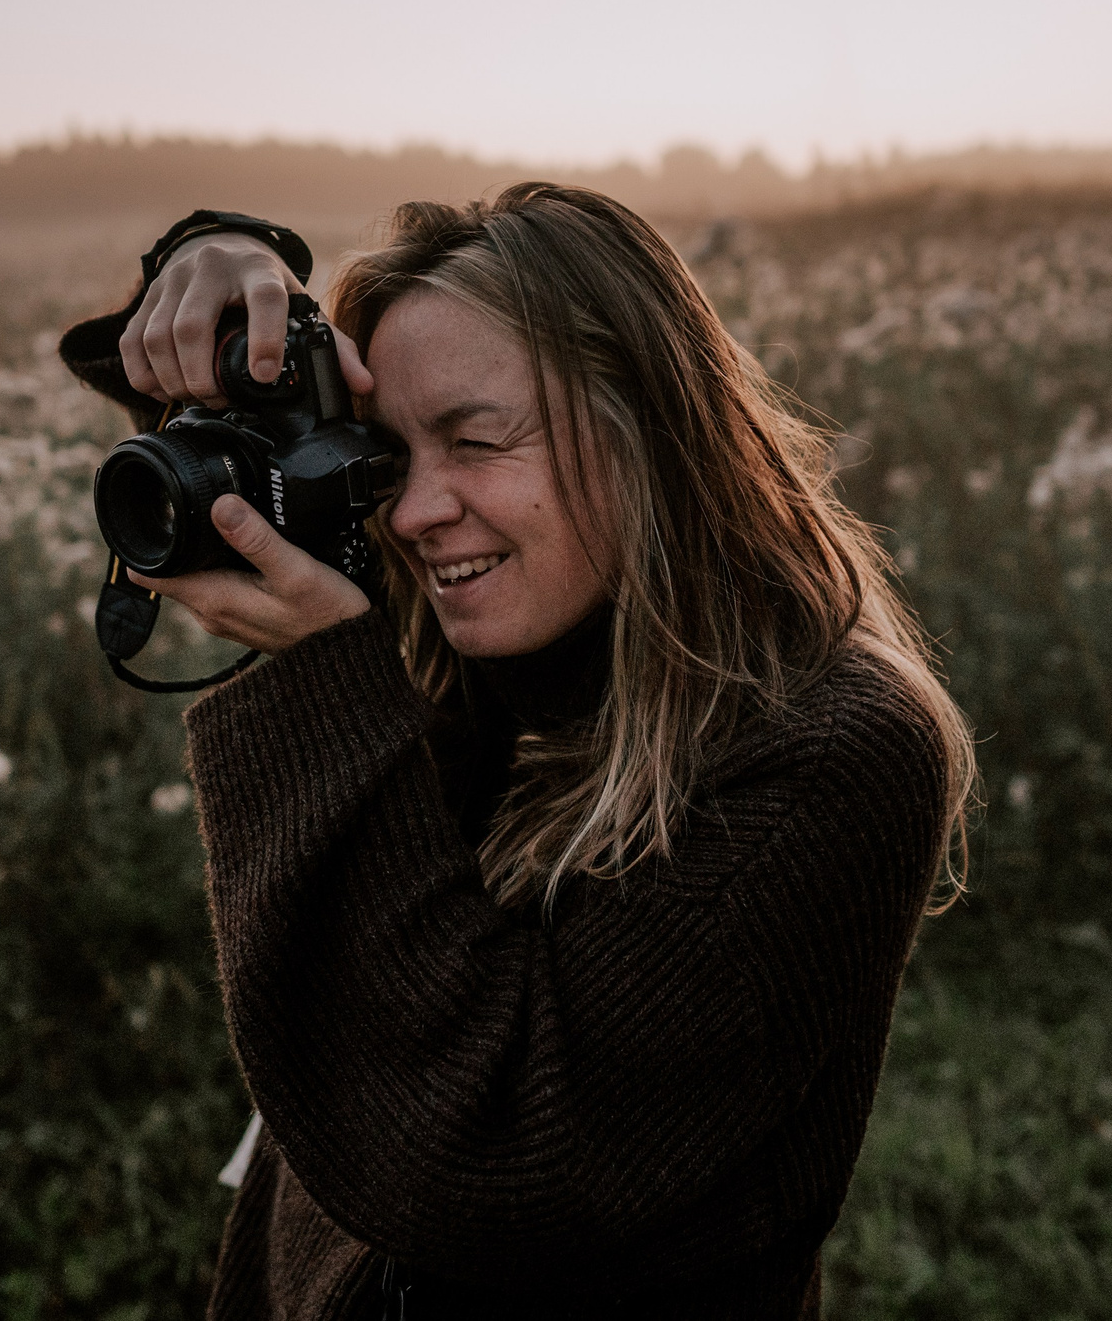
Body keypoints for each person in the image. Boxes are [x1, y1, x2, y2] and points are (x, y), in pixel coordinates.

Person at [59, 185, 975, 1320]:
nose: (410, 511)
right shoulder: (489, 660)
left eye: (476, 439)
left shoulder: (830, 753)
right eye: (386, 455)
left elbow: (484, 1159)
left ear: (651, 425)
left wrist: (320, 686)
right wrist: (215, 271)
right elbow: (243, 466)